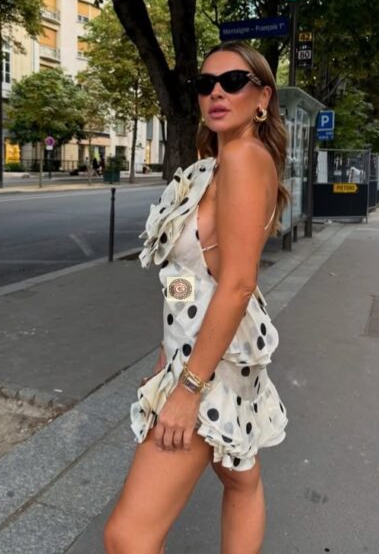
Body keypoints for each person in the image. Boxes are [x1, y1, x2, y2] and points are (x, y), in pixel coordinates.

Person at [104, 40, 290, 554]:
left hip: (211, 368)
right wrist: (165, 360)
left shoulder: (245, 158)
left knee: (127, 538)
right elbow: (191, 282)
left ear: (262, 97)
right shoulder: (219, 162)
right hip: (209, 353)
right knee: (240, 477)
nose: (216, 93)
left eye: (233, 81)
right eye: (205, 84)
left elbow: (238, 284)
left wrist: (186, 390)